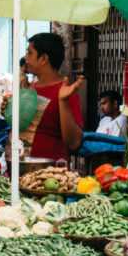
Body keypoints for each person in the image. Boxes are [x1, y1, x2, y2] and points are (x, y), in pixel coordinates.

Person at [23, 32, 83, 161]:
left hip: (49, 171)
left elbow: (74, 142)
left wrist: (63, 101)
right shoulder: (29, 88)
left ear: (44, 59)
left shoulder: (66, 91)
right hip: (20, 166)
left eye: (29, 53)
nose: (25, 58)